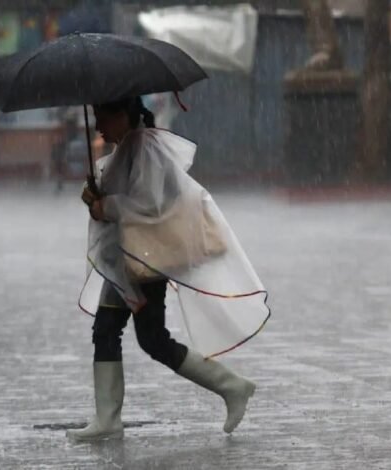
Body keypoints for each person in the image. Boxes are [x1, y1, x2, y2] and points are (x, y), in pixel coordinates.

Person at [67, 96, 270, 442]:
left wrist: (107, 206)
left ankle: (232, 387)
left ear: (122, 115)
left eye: (102, 115)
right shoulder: (128, 147)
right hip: (126, 257)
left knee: (149, 339)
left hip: (144, 258)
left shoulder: (145, 147)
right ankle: (108, 418)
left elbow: (149, 202)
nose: (98, 124)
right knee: (113, 331)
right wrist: (96, 196)